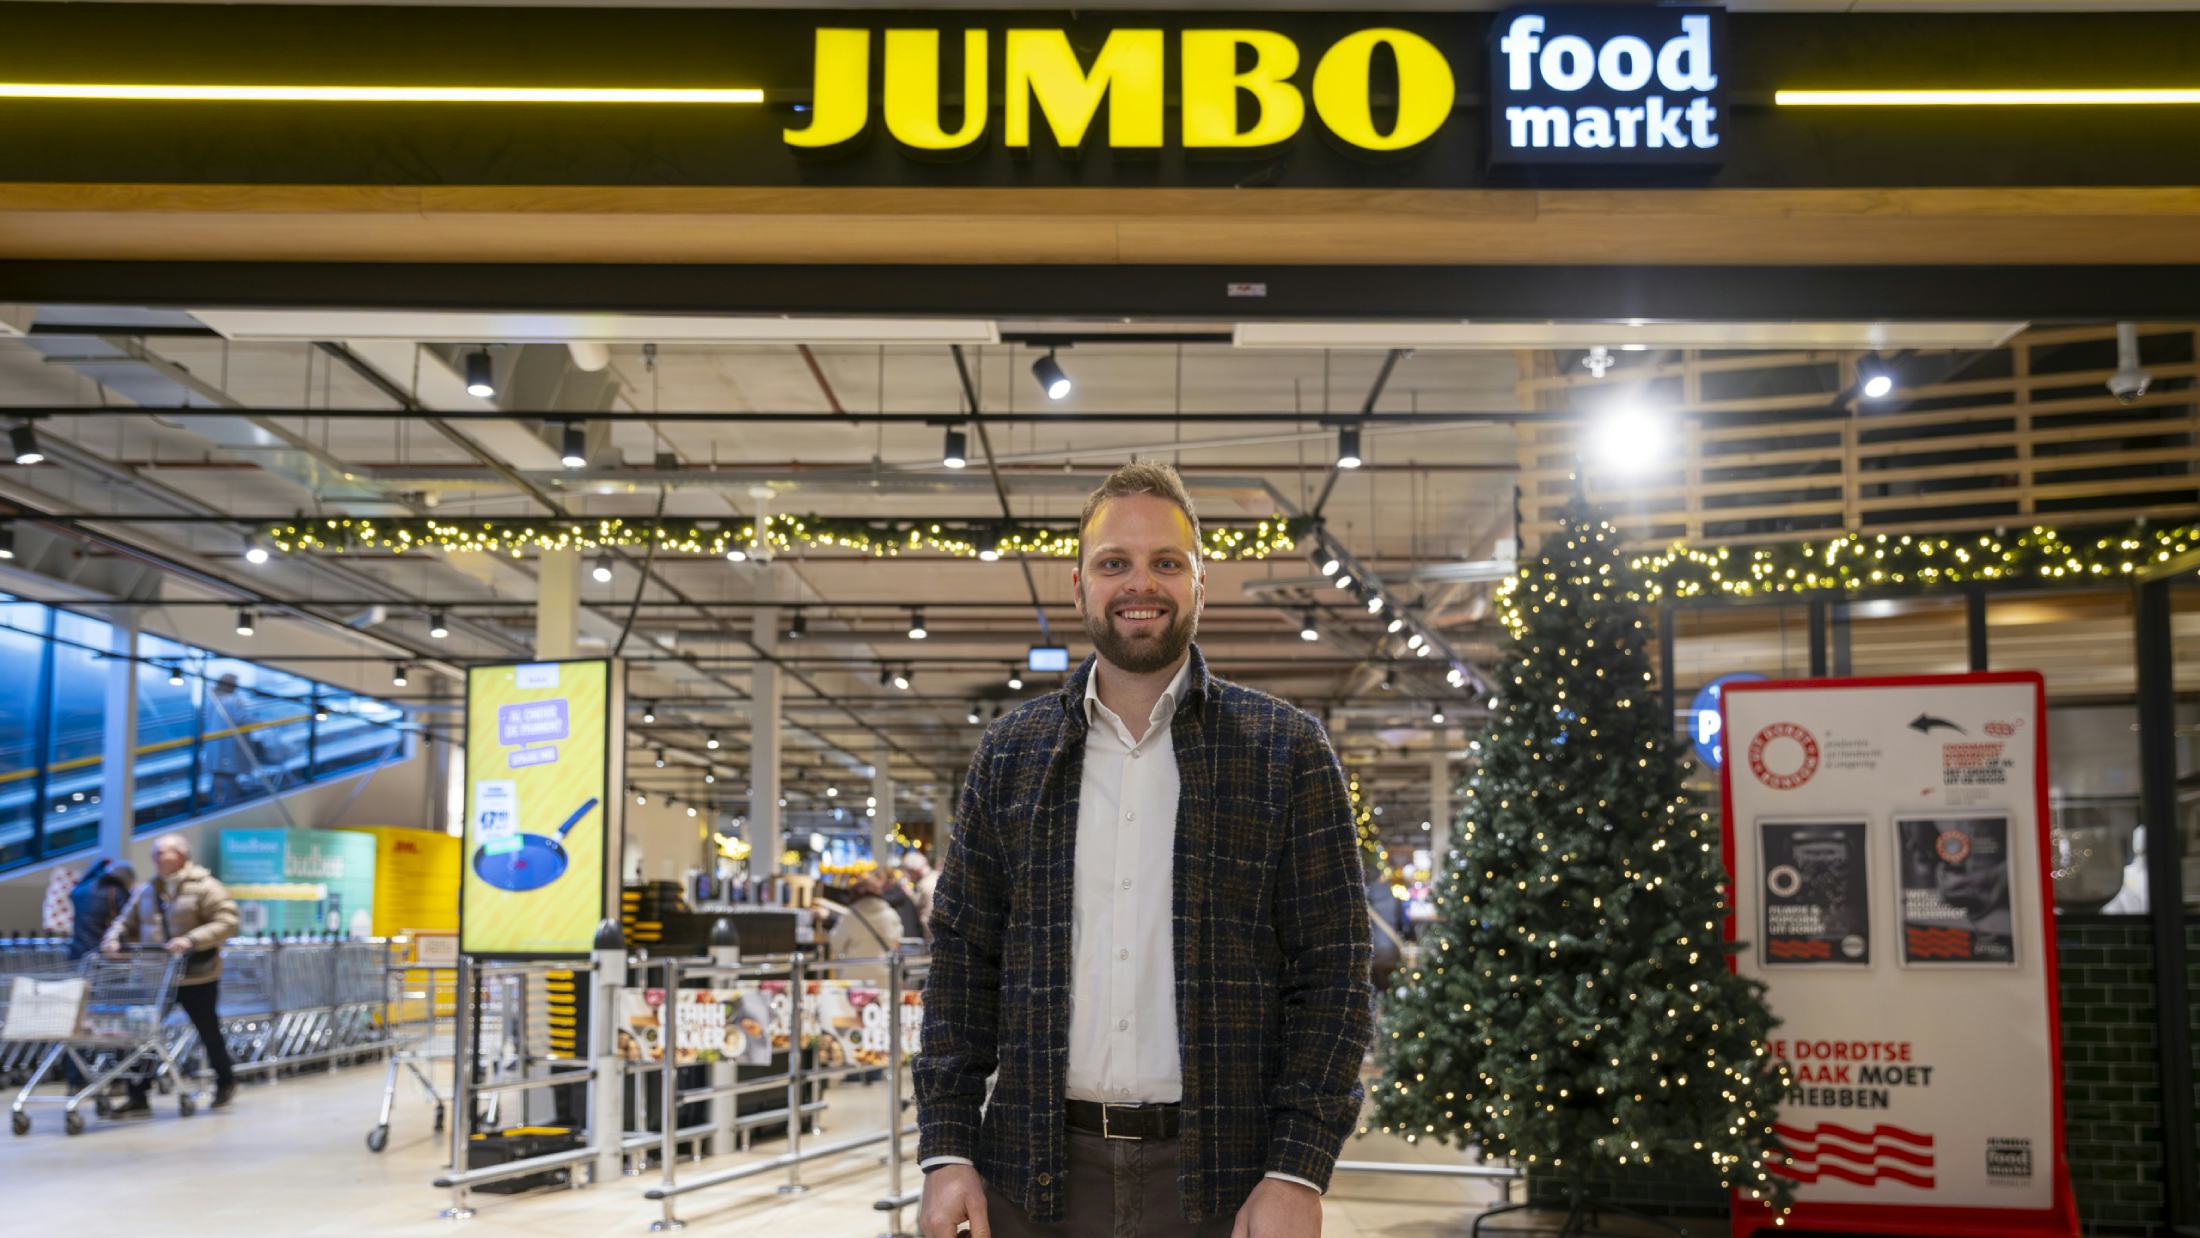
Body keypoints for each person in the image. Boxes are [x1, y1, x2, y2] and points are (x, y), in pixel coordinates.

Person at [916, 461, 1373, 1238]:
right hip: (1030, 1173)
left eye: (1167, 562)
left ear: (1202, 582)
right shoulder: (1011, 753)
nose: (1141, 583)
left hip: (1224, 1180)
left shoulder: (1284, 750)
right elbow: (963, 961)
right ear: (1079, 586)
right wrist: (947, 1150)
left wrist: (1298, 1168)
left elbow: (1332, 970)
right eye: (1114, 563)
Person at [103, 833, 240, 1113]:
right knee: (142, 1034)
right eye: (154, 853)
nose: (156, 858)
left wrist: (191, 939)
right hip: (155, 976)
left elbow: (227, 921)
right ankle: (138, 1095)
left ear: (180, 855)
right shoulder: (147, 890)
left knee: (208, 1032)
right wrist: (113, 939)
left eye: (162, 853)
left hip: (196, 974)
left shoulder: (206, 886)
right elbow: (125, 921)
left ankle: (225, 1081)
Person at [827, 870, 907, 986]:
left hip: (855, 974)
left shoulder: (851, 916)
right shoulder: (890, 914)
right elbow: (897, 941)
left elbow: (836, 943)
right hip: (884, 973)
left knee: (854, 1003)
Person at [901, 850, 937, 932]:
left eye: (909, 872)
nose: (907, 875)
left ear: (916, 871)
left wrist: (909, 893)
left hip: (932, 935)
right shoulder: (934, 877)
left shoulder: (927, 885)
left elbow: (928, 915)